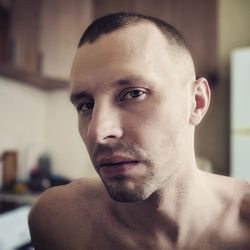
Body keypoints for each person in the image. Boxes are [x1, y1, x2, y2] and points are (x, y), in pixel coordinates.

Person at [28, 12, 250, 250]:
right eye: (86, 105)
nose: (98, 131)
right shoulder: (56, 221)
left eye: (134, 93)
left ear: (197, 102)